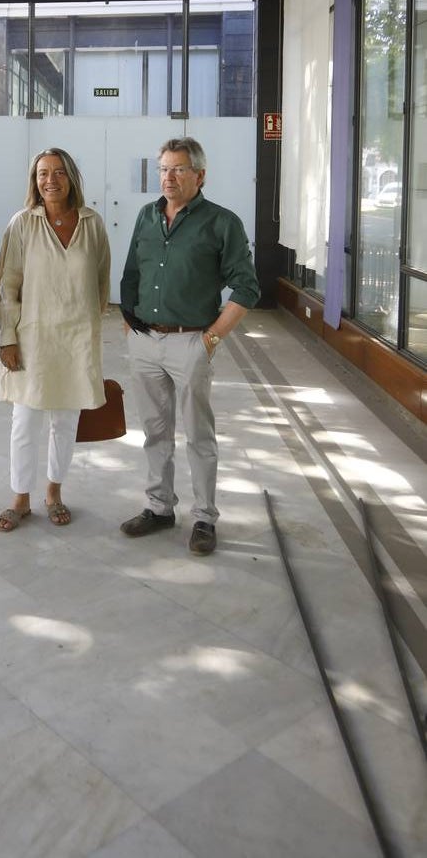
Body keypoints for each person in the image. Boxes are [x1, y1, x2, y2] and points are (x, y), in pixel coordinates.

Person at [119, 136, 259, 556]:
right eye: (163, 169)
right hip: (145, 341)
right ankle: (159, 507)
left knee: (199, 433)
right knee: (154, 431)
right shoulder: (147, 216)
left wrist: (212, 338)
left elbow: (247, 286)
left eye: (178, 169)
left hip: (191, 341)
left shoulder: (221, 222)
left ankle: (204, 517)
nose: (169, 177)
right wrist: (130, 323)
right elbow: (130, 274)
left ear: (200, 175)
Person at [0, 148, 111, 531]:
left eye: (59, 172)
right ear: (34, 180)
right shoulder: (22, 224)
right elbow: (8, 286)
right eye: (43, 173)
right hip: (33, 339)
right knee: (24, 421)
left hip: (77, 340)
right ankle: (20, 498)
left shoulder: (92, 223)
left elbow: (101, 281)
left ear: (71, 178)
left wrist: (89, 327)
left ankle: (54, 492)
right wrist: (7, 338)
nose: (50, 180)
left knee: (66, 421)